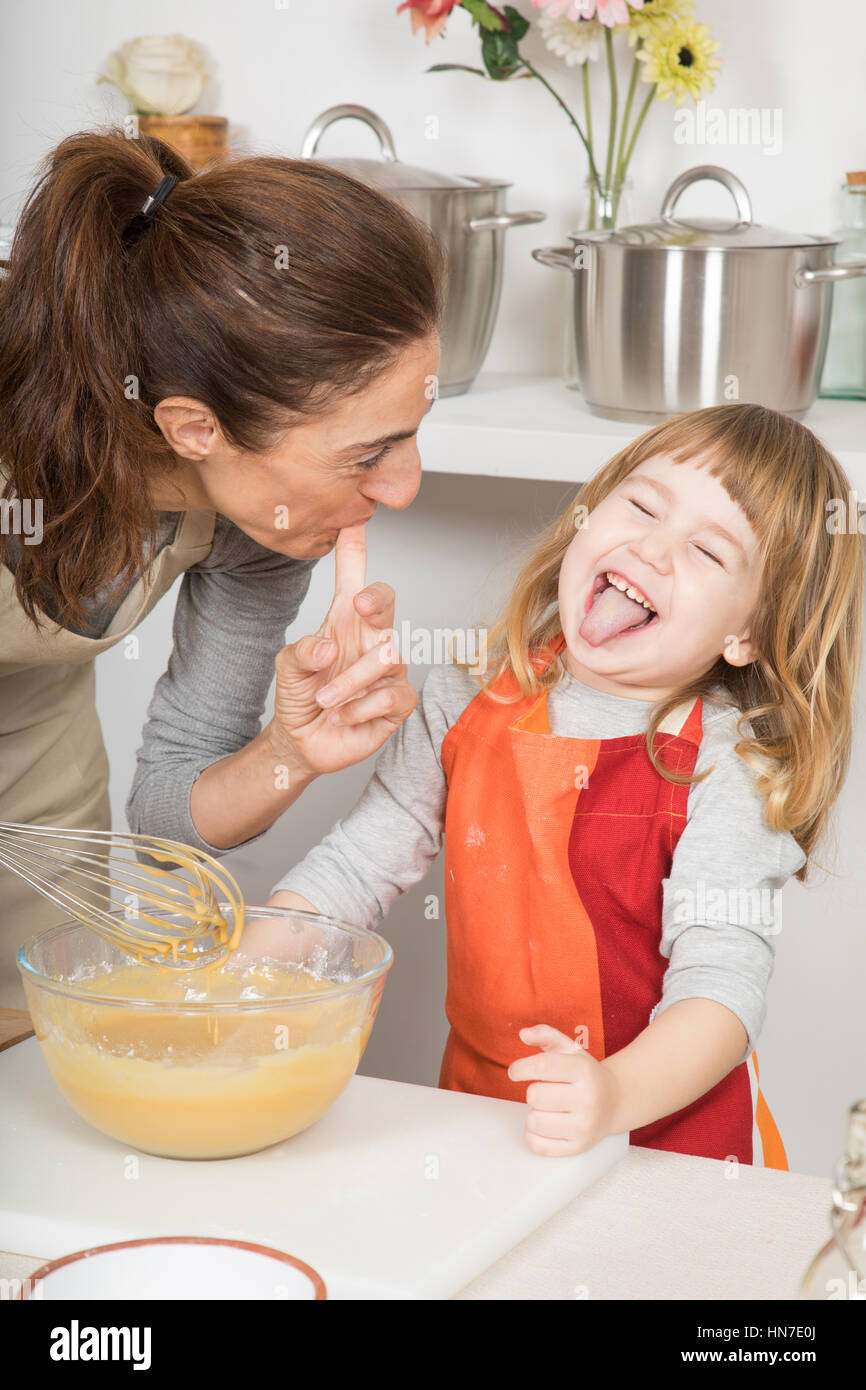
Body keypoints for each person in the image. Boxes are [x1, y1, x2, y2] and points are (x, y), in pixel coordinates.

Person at [258, 403, 863, 1166]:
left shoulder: (728, 766)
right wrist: (246, 966)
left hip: (667, 1146)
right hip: (487, 1120)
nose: (655, 547)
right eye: (642, 505)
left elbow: (721, 994)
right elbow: (354, 869)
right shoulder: (465, 694)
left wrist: (609, 1097)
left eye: (709, 553)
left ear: (747, 632)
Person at [0, 125, 445, 1007]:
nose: (405, 487)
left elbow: (168, 811)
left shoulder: (262, 524)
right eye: (368, 454)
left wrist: (289, 752)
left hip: (32, 761)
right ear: (195, 427)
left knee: (37, 1050)